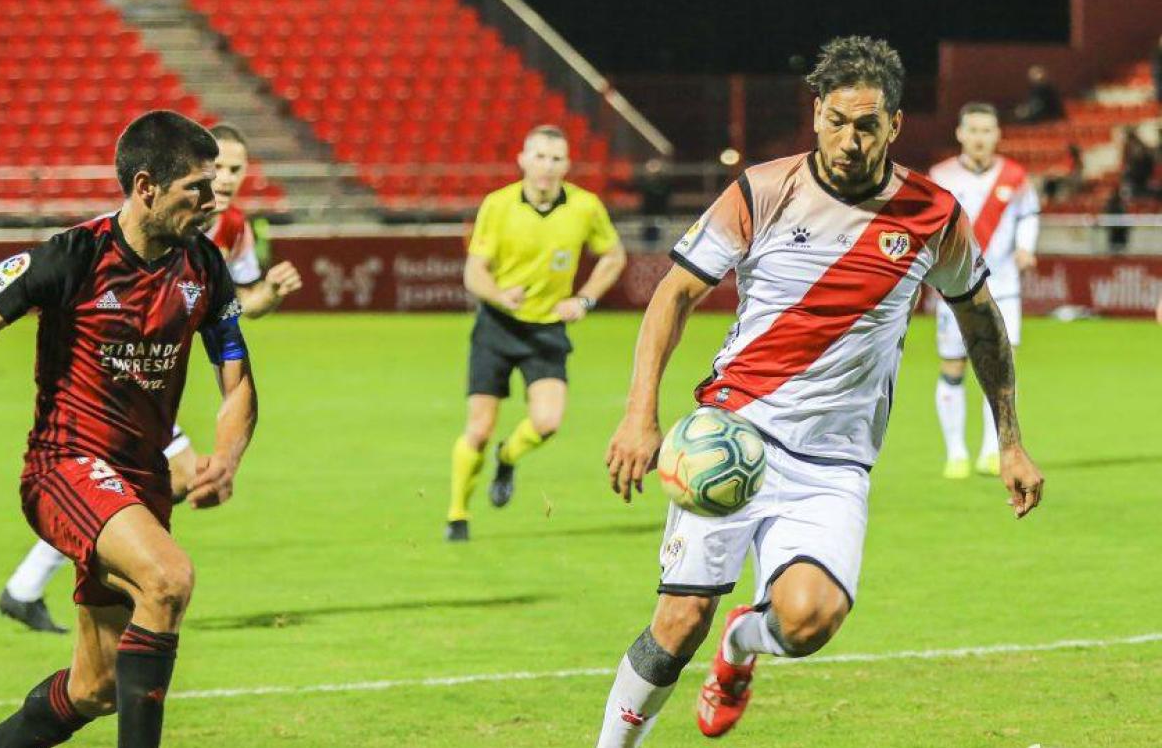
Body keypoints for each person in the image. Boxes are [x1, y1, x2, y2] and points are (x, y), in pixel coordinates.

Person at [594, 36, 1044, 746]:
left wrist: (1011, 441)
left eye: (868, 124)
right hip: (731, 435)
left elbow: (983, 324)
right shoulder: (762, 191)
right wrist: (638, 415)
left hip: (831, 466)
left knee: (809, 623)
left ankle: (742, 646)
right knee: (677, 623)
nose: (850, 139)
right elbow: (673, 296)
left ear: (895, 125)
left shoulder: (933, 216)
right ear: (816, 115)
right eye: (837, 120)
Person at [0, 110, 259, 748]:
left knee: (96, 687)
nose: (213, 202)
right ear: (147, 186)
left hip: (141, 480)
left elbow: (237, 380)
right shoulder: (75, 255)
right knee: (168, 578)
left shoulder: (204, 267)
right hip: (65, 466)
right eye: (197, 188)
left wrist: (228, 456)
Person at [0, 122, 301, 634]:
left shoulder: (233, 229)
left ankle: (30, 587)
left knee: (141, 485)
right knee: (167, 479)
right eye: (216, 168)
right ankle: (43, 585)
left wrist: (268, 294)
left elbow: (235, 307)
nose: (223, 180)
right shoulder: (157, 215)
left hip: (156, 382)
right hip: (113, 383)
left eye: (235, 170)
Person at [445, 124, 627, 541]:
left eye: (557, 158)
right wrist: (497, 295)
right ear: (523, 160)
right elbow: (474, 272)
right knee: (478, 427)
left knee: (546, 422)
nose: (547, 166)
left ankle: (507, 457)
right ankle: (457, 516)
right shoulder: (498, 205)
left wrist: (584, 300)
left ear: (567, 165)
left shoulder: (585, 207)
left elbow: (613, 256)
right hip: (497, 325)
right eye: (540, 157)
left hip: (546, 329)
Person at [929, 103, 1040, 479]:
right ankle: (955, 452)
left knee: (1001, 368)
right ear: (960, 133)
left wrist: (1026, 246)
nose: (980, 138)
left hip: (1003, 288)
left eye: (987, 130)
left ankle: (993, 451)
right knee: (953, 366)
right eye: (973, 130)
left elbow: (1029, 215)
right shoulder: (940, 175)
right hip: (954, 289)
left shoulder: (1016, 176)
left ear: (998, 134)